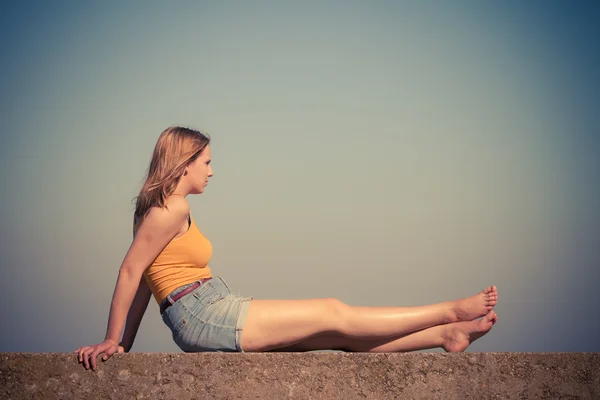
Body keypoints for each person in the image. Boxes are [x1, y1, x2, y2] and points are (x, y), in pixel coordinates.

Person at [75, 126, 499, 370]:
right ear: (185, 164)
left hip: (209, 306)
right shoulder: (170, 208)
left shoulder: (159, 210)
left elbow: (149, 283)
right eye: (206, 162)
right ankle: (449, 311)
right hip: (203, 313)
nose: (212, 171)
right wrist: (114, 339)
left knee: (336, 335)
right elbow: (131, 273)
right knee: (333, 311)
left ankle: (446, 334)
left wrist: (123, 345)